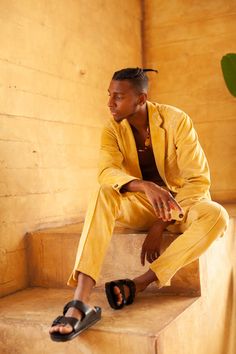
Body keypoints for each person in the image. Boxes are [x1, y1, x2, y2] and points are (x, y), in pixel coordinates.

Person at [49, 67, 229, 342]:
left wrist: (161, 224)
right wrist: (144, 185)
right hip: (142, 204)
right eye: (109, 95)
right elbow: (106, 172)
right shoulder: (112, 128)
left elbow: (197, 180)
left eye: (118, 97)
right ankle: (80, 302)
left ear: (141, 98)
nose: (110, 103)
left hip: (183, 205)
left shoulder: (176, 120)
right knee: (102, 192)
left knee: (217, 216)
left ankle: (139, 284)